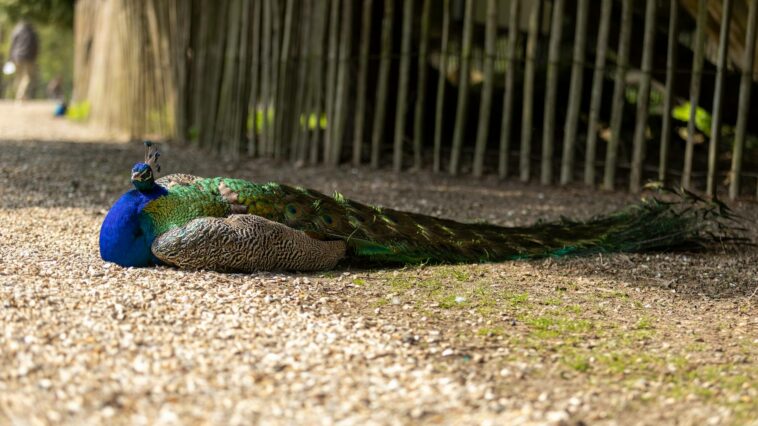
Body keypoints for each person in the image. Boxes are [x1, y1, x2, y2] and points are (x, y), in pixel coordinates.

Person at [9, 20, 39, 101]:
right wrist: (34, 57)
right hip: (28, 57)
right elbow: (35, 46)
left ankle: (19, 95)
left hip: (16, 57)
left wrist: (10, 57)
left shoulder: (16, 30)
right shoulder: (32, 32)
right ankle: (20, 95)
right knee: (26, 77)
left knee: (18, 77)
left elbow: (12, 44)